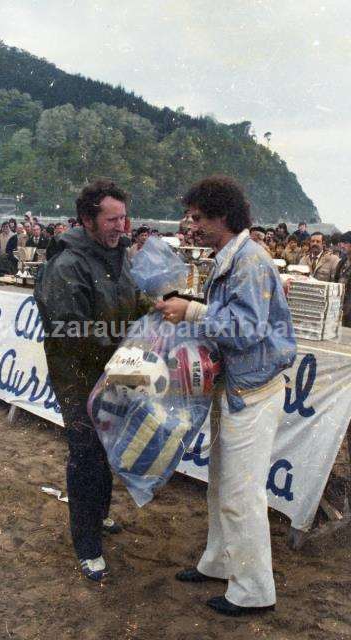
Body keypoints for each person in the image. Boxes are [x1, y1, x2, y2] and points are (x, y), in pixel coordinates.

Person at [156, 175, 296, 617]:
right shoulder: (231, 258)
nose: (191, 225)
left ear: (223, 217)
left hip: (252, 393)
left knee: (241, 493)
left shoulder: (251, 262)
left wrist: (193, 311)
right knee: (221, 486)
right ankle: (219, 562)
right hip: (236, 389)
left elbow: (246, 329)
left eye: (198, 218)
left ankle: (253, 590)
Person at [34, 180, 148, 582]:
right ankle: (86, 545)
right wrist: (124, 338)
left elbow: (134, 300)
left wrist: (159, 311)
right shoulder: (67, 265)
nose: (122, 226)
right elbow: (67, 330)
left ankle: (98, 516)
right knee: (86, 455)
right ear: (87, 220)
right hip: (78, 376)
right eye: (112, 219)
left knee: (107, 450)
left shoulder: (121, 256)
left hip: (114, 370)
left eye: (124, 217)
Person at [334, 231, 351, 327]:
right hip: (339, 305)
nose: (342, 245)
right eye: (341, 243)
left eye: (345, 243)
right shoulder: (342, 262)